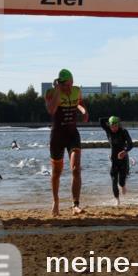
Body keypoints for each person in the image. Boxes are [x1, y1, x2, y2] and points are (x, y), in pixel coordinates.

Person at [45, 68, 88, 215]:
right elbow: (51, 110)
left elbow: (79, 102)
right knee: (56, 172)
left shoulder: (77, 91)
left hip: (72, 135)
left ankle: (75, 205)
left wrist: (83, 111)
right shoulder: (51, 93)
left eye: (70, 84)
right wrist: (58, 91)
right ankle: (56, 201)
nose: (68, 88)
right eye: (65, 85)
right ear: (59, 84)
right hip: (57, 136)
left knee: (76, 168)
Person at [100, 115, 134, 205]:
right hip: (114, 159)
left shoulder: (123, 132)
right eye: (112, 126)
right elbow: (100, 120)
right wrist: (111, 118)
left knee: (121, 181)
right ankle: (117, 200)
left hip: (123, 159)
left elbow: (131, 144)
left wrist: (124, 151)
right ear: (110, 125)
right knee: (114, 180)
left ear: (118, 125)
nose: (114, 128)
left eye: (115, 126)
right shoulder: (108, 130)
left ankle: (123, 185)